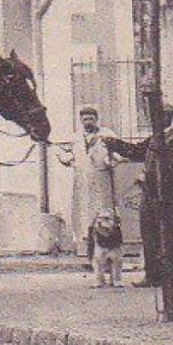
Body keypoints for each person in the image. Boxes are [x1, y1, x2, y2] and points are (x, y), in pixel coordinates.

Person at [106, 102, 173, 290]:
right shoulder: (155, 139)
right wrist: (114, 143)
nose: (154, 121)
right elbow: (135, 151)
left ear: (167, 118)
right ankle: (153, 276)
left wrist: (145, 176)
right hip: (149, 194)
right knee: (149, 235)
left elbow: (169, 171)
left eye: (158, 117)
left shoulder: (172, 140)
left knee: (166, 235)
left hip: (164, 196)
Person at [54, 105, 122, 258]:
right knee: (83, 215)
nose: (88, 122)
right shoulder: (75, 137)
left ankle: (106, 252)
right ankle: (85, 251)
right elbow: (62, 152)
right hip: (82, 181)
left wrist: (110, 161)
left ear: (97, 119)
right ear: (80, 121)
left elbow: (118, 154)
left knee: (104, 214)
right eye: (85, 119)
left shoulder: (107, 134)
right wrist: (70, 161)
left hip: (102, 179)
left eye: (91, 118)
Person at [89, 211, 125, 288]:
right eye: (99, 219)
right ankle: (99, 279)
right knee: (98, 261)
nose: (100, 221)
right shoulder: (97, 236)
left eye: (106, 219)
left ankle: (116, 279)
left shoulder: (117, 233)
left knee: (117, 261)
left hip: (114, 243)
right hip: (100, 244)